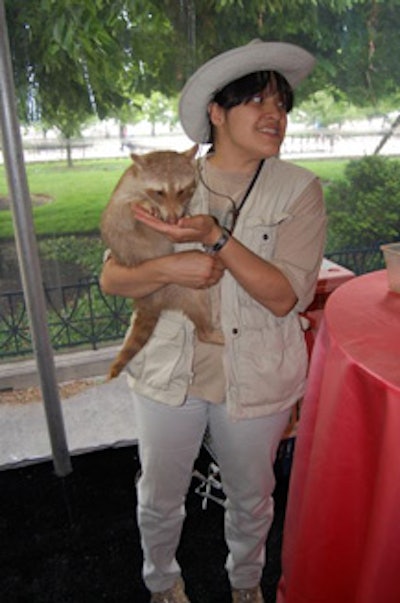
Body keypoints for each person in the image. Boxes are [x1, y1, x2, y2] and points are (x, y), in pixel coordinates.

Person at [100, 39, 326, 603]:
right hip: (168, 367)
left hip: (258, 373)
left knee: (253, 496)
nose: (274, 115)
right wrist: (169, 264)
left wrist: (215, 238)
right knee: (158, 492)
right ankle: (162, 582)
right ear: (217, 113)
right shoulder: (168, 176)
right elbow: (112, 279)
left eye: (281, 104)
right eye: (256, 101)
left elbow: (286, 299)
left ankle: (246, 583)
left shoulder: (298, 190)